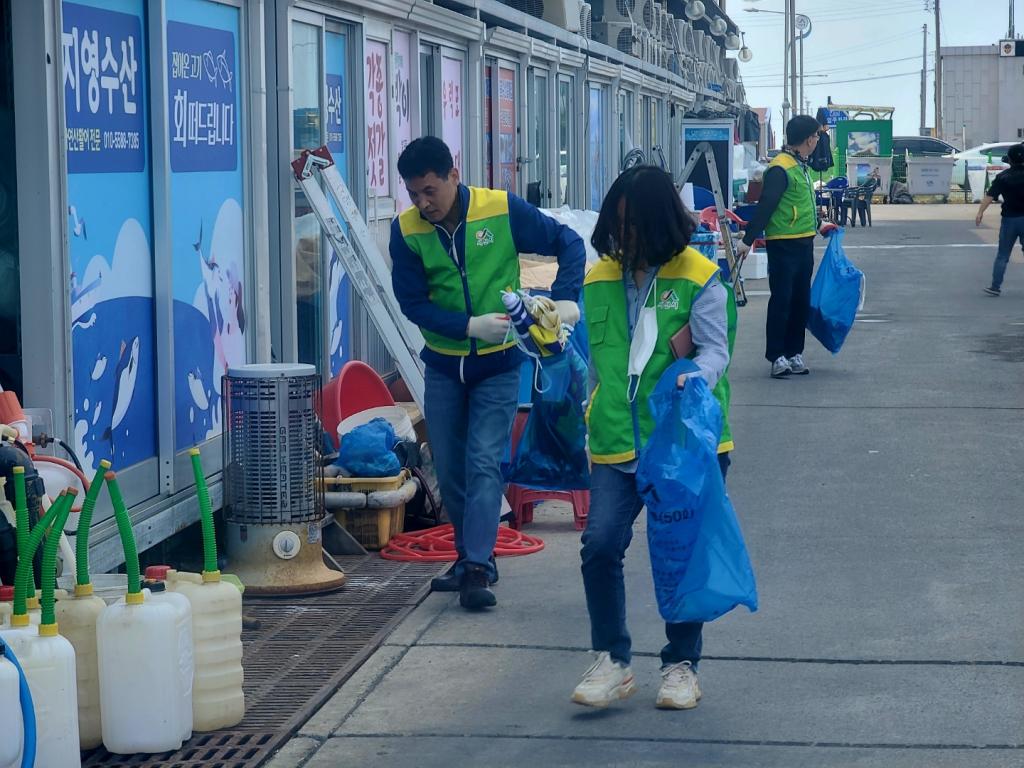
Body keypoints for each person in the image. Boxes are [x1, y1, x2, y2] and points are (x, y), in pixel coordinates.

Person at [390, 137, 585, 610]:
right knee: (451, 471)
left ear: (454, 176)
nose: (422, 202)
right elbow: (412, 303)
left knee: (483, 460)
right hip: (443, 366)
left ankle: (477, 565)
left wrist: (562, 300)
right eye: (414, 193)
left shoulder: (501, 210)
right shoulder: (407, 231)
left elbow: (569, 242)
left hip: (499, 364)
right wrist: (465, 325)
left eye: (430, 190)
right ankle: (467, 556)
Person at [572, 166, 735, 710]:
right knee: (599, 546)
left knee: (679, 552)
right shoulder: (597, 279)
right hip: (616, 441)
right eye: (618, 227)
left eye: (635, 226)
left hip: (682, 445)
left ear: (660, 222)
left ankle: (681, 664)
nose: (626, 239)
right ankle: (612, 660)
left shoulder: (699, 275)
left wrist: (697, 375)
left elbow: (715, 349)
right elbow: (594, 365)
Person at [737, 115, 838, 378]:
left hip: (804, 241)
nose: (817, 140)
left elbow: (800, 203)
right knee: (782, 299)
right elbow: (767, 206)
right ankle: (777, 355)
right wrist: (748, 240)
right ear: (808, 139)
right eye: (816, 136)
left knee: (800, 301)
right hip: (783, 243)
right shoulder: (780, 168)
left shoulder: (799, 165)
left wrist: (819, 224)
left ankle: (795, 352)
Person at [977, 143, 1024, 296]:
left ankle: (995, 286)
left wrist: (980, 212)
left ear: (1009, 160)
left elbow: (990, 196)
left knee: (1003, 255)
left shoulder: (1002, 177)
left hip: (1010, 219)